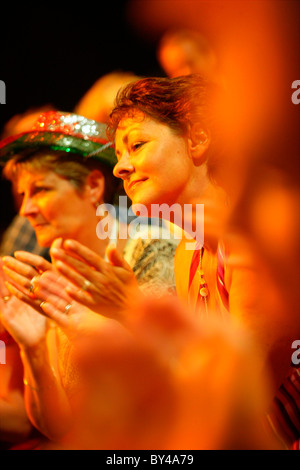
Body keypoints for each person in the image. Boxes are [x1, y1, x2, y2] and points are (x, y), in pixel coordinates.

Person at [106, 74, 299, 449]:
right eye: (117, 155)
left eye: (137, 145)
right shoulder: (187, 253)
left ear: (197, 138)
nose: (121, 168)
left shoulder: (250, 237)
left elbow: (233, 393)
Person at [0, 110, 179, 446]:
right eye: (23, 195)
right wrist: (33, 349)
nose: (26, 210)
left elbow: (166, 388)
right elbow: (58, 427)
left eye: (40, 189)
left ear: (94, 186)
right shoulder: (54, 271)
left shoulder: (151, 250)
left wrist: (79, 322)